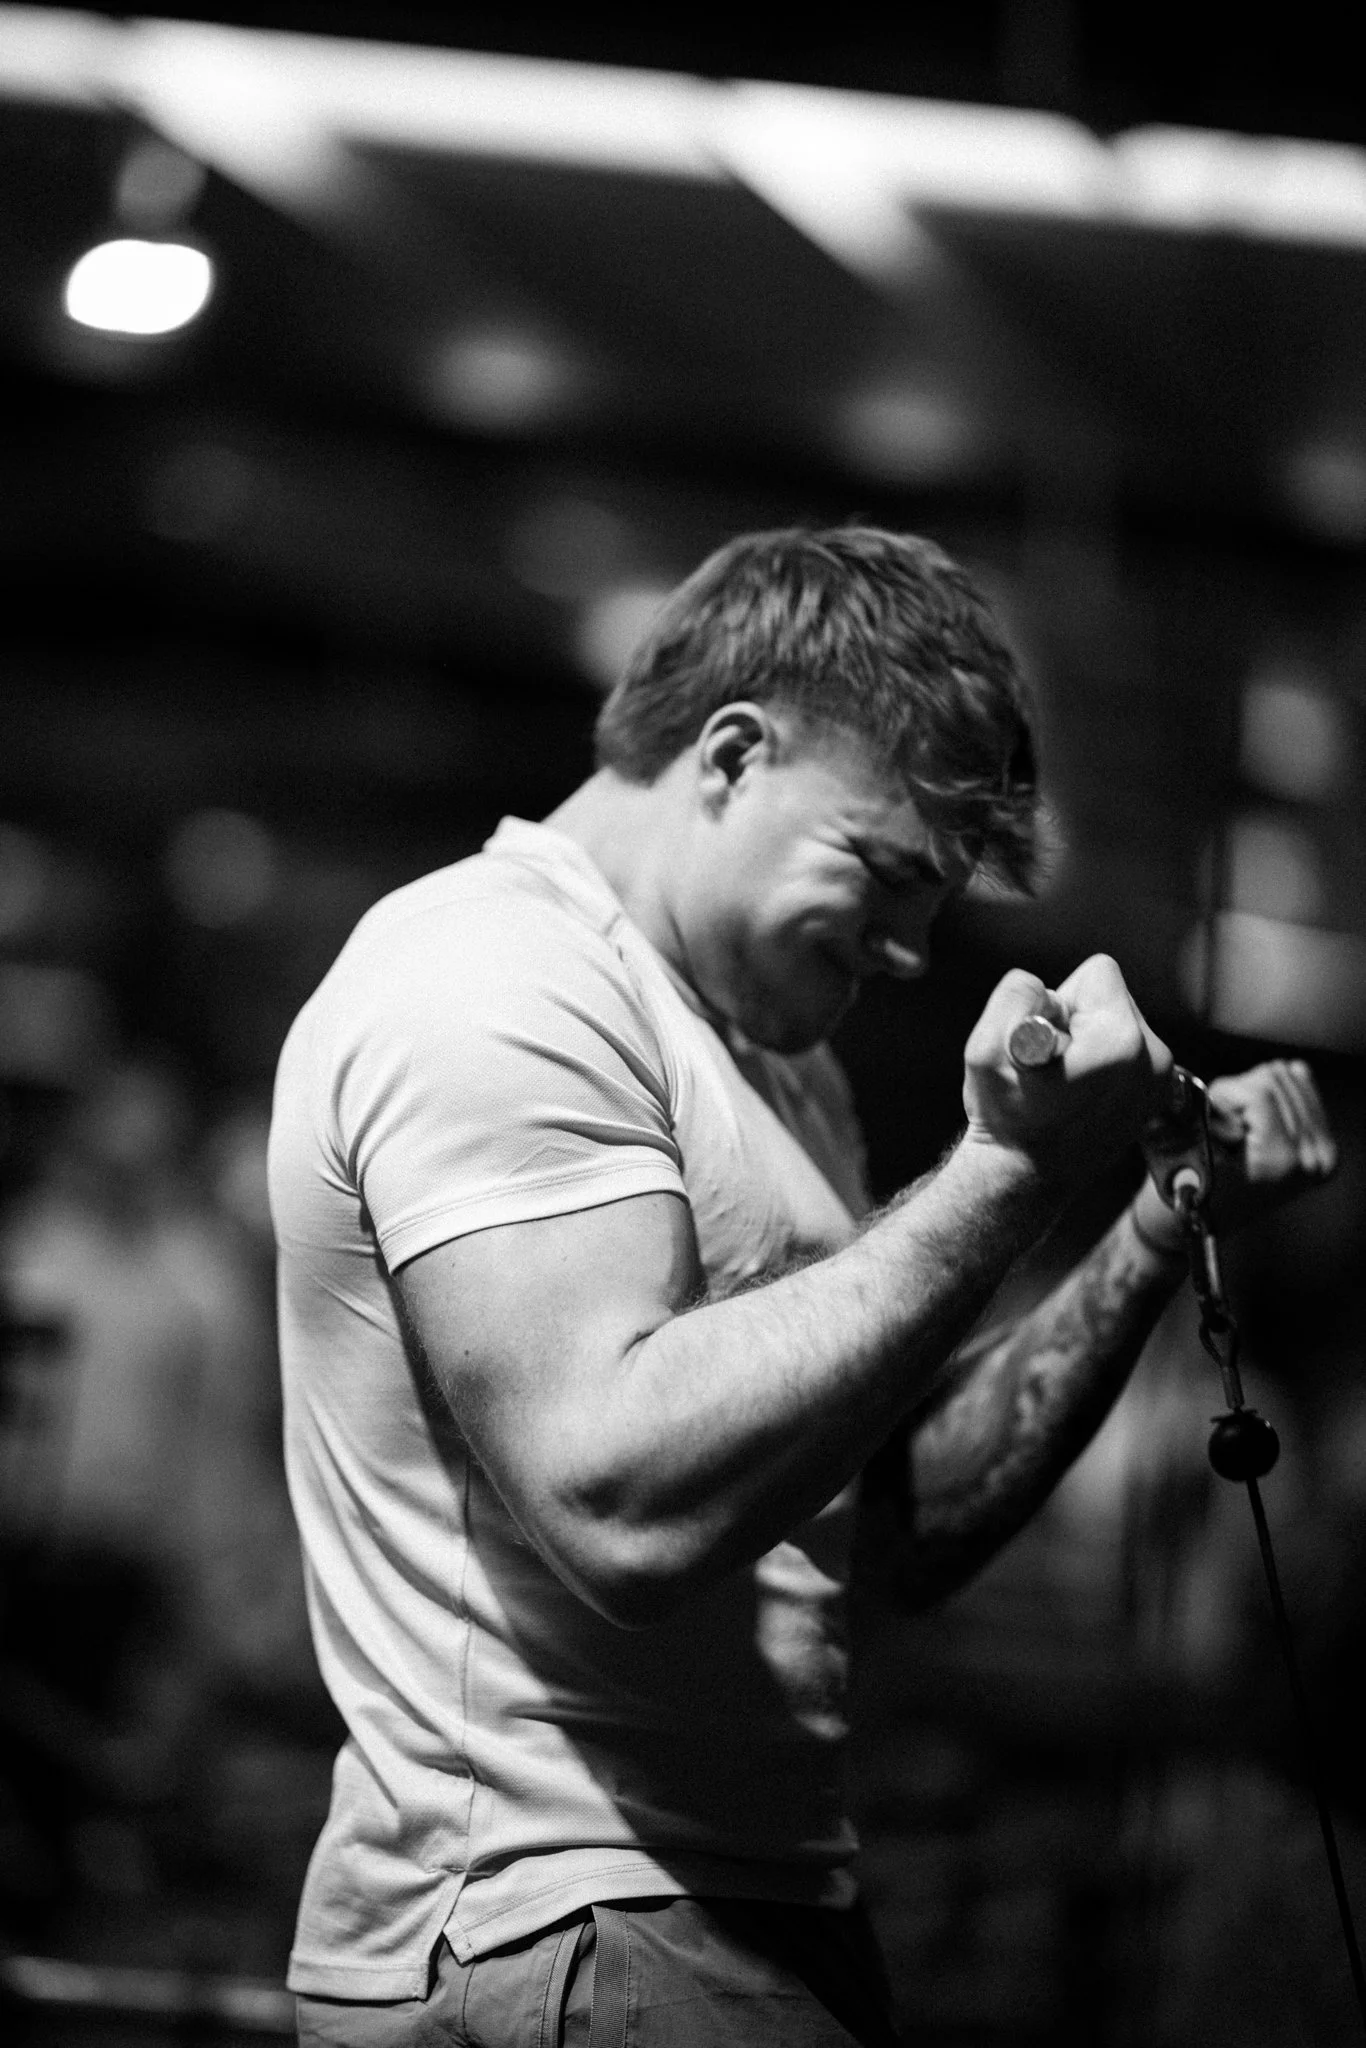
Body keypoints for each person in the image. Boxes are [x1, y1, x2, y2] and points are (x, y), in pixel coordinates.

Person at [268, 526, 1335, 2046]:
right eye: (885, 872)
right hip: (552, 1925)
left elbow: (880, 1532)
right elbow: (617, 1502)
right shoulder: (495, 980)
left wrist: (1152, 1226)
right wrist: (1005, 1172)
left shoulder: (778, 1070)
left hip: (732, 1913)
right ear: (728, 754)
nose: (910, 951)